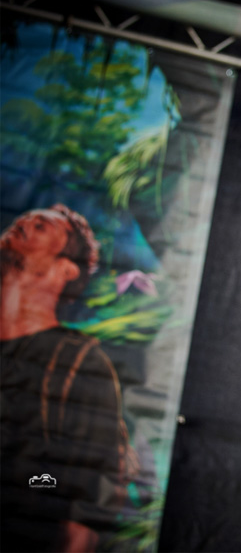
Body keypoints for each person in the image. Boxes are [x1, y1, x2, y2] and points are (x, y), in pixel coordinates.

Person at [1, 204, 133, 552]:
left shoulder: (80, 364)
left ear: (66, 270)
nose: (24, 222)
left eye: (41, 226)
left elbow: (88, 500)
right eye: (23, 219)